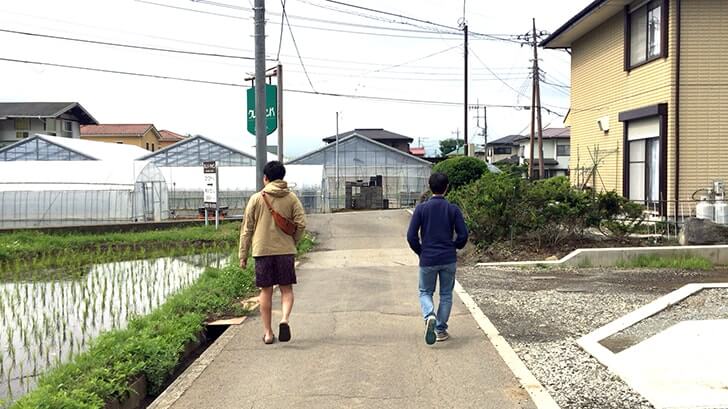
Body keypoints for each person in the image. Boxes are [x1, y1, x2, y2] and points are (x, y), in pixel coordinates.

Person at [240, 161, 307, 345]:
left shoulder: (256, 199)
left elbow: (247, 229)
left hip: (262, 251)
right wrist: (294, 241)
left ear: (265, 178)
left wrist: (243, 255)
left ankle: (268, 333)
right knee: (286, 289)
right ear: (282, 177)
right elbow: (301, 224)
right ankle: (284, 319)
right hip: (285, 250)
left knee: (266, 291)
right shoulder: (291, 198)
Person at [406, 172, 468, 345]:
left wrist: (421, 251)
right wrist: (455, 246)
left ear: (429, 186)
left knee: (425, 292)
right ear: (447, 188)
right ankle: (440, 330)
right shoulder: (453, 209)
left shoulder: (421, 209)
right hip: (448, 258)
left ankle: (429, 315)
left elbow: (411, 236)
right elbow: (463, 234)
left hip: (428, 258)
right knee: (446, 294)